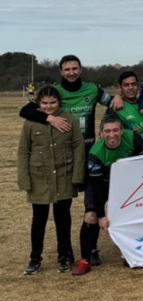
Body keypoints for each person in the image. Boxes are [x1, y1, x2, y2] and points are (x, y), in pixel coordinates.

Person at [19, 55, 123, 267]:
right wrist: (50, 118)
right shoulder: (55, 92)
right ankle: (61, 253)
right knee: (62, 208)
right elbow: (26, 110)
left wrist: (116, 101)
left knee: (93, 201)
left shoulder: (92, 89)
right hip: (65, 153)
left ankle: (91, 248)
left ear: (81, 69)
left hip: (90, 150)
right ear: (61, 71)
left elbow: (112, 104)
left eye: (75, 68)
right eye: (67, 69)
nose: (71, 72)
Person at [17, 87, 85, 275]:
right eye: (45, 104)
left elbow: (78, 146)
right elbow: (24, 150)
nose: (49, 107)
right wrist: (24, 179)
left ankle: (64, 255)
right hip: (40, 177)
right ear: (38, 103)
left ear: (59, 102)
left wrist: (77, 176)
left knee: (63, 218)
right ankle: (35, 257)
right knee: (38, 219)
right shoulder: (31, 122)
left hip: (64, 176)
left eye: (53, 103)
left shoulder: (69, 119)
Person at [72, 115, 143, 275]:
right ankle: (86, 259)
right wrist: (101, 215)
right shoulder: (95, 153)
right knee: (91, 217)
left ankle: (131, 254)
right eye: (107, 131)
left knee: (132, 213)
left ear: (122, 131)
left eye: (115, 130)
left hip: (124, 183)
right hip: (100, 183)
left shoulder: (132, 138)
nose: (111, 135)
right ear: (101, 133)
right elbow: (97, 187)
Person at [107, 71, 143, 142]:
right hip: (134, 151)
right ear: (120, 88)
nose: (130, 88)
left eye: (133, 84)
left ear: (138, 87)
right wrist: (117, 95)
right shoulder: (115, 107)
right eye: (126, 85)